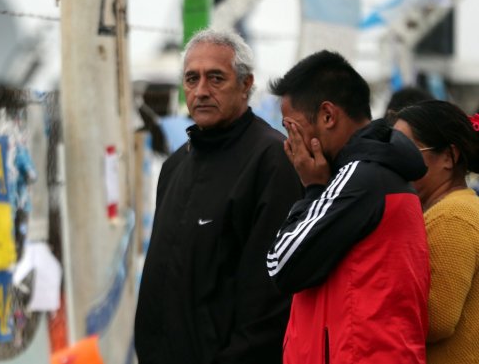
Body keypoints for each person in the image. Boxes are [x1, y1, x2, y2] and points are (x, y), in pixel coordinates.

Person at [134, 29, 303, 364]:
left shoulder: (272, 161)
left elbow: (269, 301)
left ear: (245, 85)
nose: (201, 91)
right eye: (191, 79)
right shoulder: (175, 165)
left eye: (215, 78)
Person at [265, 50, 430, 364]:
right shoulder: (382, 172)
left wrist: (312, 187)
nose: (290, 145)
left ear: (328, 116)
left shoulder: (361, 176)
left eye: (293, 128)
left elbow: (281, 263)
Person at [393, 101, 479, 364]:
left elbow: (437, 319)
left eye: (406, 150)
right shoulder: (450, 209)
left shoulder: (453, 216)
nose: (395, 161)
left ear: (449, 157)